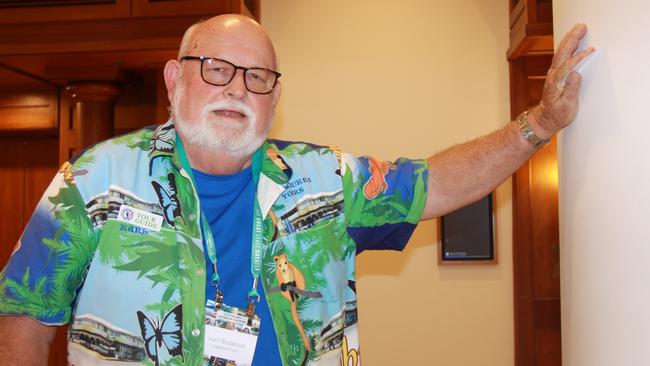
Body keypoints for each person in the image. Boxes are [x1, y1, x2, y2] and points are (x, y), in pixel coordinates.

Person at [0, 14, 592, 366]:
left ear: (275, 99)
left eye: (258, 77)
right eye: (216, 69)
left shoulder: (326, 180)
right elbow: (24, 316)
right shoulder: (92, 181)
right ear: (175, 80)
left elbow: (435, 184)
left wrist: (538, 123)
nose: (237, 88)